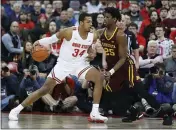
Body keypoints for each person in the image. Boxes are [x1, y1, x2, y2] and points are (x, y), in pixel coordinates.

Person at [9, 12, 108, 123]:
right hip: (63, 65)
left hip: (80, 65)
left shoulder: (92, 35)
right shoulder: (69, 32)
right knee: (44, 90)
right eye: (88, 21)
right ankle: (16, 110)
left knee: (99, 77)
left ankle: (94, 113)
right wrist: (38, 41)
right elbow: (51, 39)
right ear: (81, 23)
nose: (91, 23)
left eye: (91, 21)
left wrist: (110, 27)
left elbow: (99, 33)